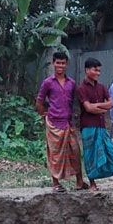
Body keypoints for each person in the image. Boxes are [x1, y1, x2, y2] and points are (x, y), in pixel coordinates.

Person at [36, 51, 86, 192]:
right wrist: (44, 114)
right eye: (58, 63)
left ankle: (80, 182)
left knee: (75, 151)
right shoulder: (47, 83)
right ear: (53, 63)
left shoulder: (72, 83)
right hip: (53, 124)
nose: (60, 65)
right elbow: (39, 102)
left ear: (67, 64)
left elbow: (74, 103)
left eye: (63, 63)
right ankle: (56, 183)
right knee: (55, 154)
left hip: (67, 123)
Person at [76, 58, 113, 189]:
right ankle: (92, 183)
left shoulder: (102, 87)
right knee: (90, 155)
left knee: (110, 152)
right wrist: (102, 108)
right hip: (88, 126)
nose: (98, 73)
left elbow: (111, 103)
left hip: (101, 126)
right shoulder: (81, 88)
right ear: (87, 70)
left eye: (99, 70)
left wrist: (97, 106)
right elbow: (88, 108)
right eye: (95, 70)